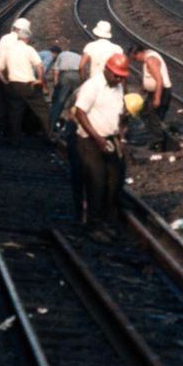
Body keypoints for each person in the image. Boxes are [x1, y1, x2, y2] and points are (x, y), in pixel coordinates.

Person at [71, 52, 130, 243]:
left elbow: (118, 115)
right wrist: (97, 138)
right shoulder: (93, 86)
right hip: (90, 140)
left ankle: (105, 220)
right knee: (96, 182)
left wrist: (121, 137)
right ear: (107, 70)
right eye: (116, 75)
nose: (119, 79)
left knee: (114, 181)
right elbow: (80, 112)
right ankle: (92, 225)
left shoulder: (119, 87)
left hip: (110, 138)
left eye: (122, 76)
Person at [0, 24, 49, 144]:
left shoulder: (9, 51)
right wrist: (40, 80)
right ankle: (49, 136)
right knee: (42, 110)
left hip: (13, 85)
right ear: (27, 39)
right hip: (28, 85)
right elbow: (40, 65)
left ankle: (15, 139)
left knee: (15, 112)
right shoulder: (29, 49)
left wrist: (5, 82)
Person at [129, 43, 175, 152]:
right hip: (154, 92)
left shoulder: (150, 60)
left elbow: (159, 80)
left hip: (161, 92)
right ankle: (157, 139)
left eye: (135, 58)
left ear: (139, 53)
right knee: (146, 113)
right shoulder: (148, 55)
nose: (135, 60)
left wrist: (157, 98)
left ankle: (158, 140)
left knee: (152, 115)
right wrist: (145, 87)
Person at [0, 17, 30, 120]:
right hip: (14, 72)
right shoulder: (18, 41)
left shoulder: (4, 38)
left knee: (3, 98)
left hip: (2, 70)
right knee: (16, 102)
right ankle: (15, 127)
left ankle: (3, 122)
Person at [49, 42, 83, 131]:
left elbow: (56, 70)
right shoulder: (80, 57)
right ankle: (72, 128)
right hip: (78, 76)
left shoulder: (63, 54)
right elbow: (83, 70)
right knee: (76, 103)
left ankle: (51, 127)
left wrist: (56, 82)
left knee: (59, 102)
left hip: (66, 76)